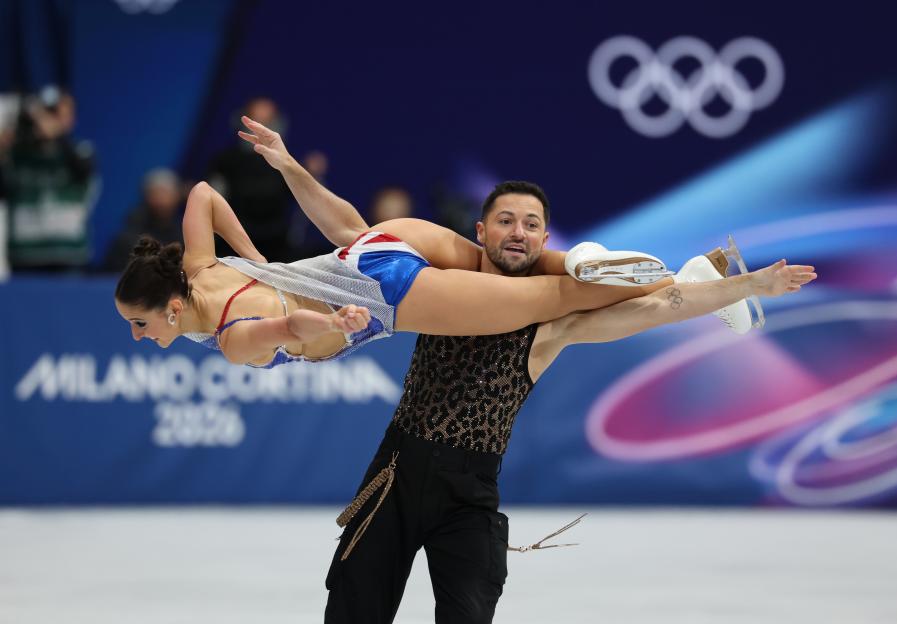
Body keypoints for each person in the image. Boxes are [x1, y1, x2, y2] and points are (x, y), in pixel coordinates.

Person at [236, 116, 816, 622]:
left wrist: (748, 285)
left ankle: (685, 269)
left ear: (544, 238)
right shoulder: (445, 279)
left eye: (532, 224)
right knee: (352, 610)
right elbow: (353, 234)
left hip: (469, 494)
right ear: (481, 231)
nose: (518, 232)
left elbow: (658, 308)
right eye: (506, 221)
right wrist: (288, 166)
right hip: (395, 474)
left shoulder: (550, 322)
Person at [113, 175, 701, 368]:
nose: (138, 336)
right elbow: (202, 194)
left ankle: (685, 282)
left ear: (171, 307)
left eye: (139, 323)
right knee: (519, 268)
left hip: (386, 293)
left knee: (559, 299)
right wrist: (258, 262)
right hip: (371, 248)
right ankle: (603, 260)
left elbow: (287, 330)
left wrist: (335, 324)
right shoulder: (200, 267)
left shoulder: (228, 340)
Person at [103, 168, 184, 272]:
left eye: (166, 193)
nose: (161, 200)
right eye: (156, 193)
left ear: (177, 196)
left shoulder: (184, 235)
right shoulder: (128, 238)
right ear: (146, 196)